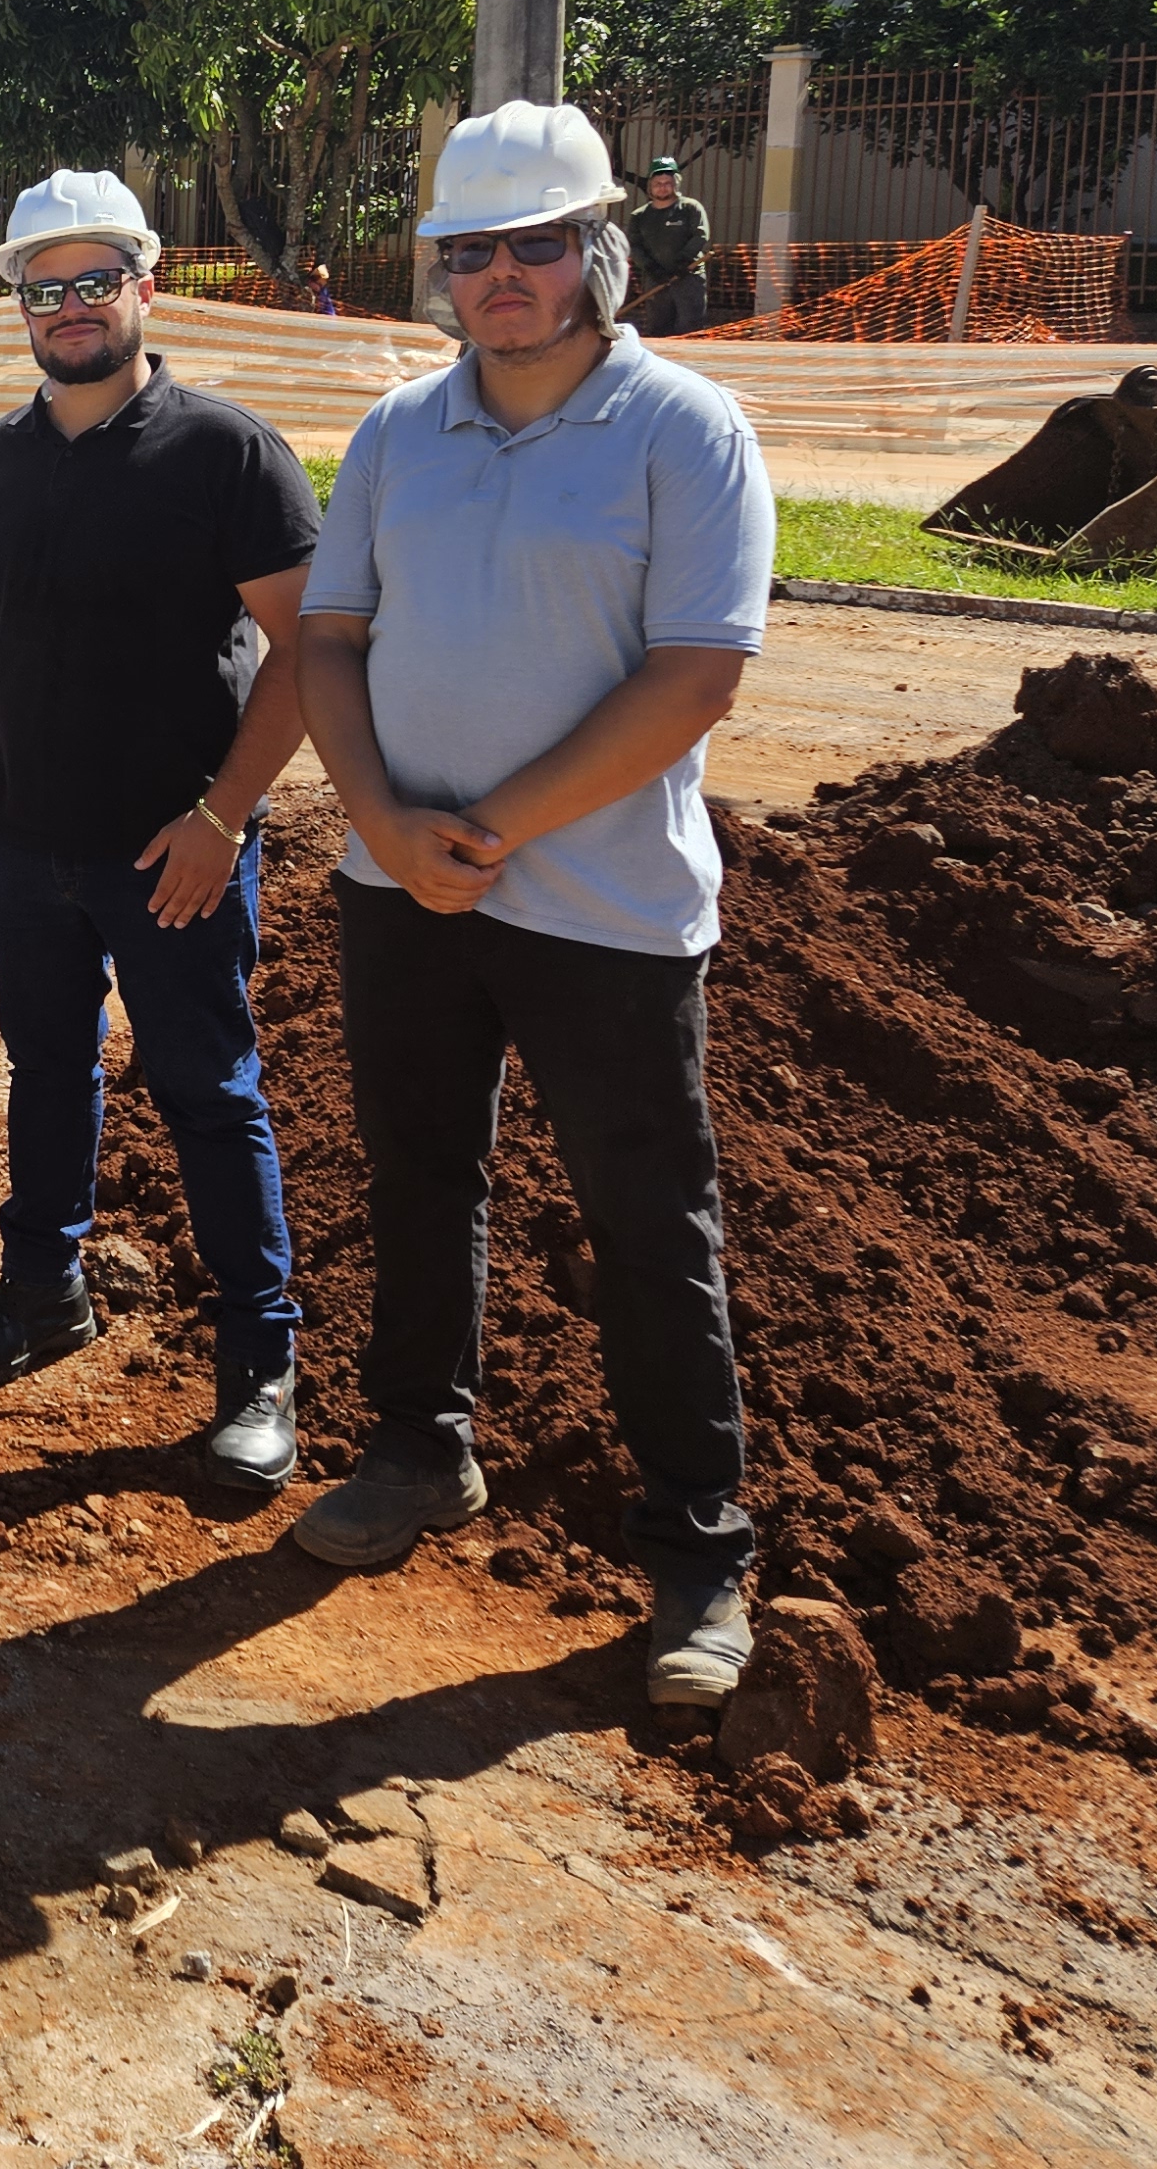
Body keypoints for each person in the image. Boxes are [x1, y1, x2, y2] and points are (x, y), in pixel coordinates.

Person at [286, 101, 776, 1713]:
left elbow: (696, 675)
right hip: (401, 893)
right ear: (438, 270)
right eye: (473, 250)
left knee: (651, 1226)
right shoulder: (396, 437)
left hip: (607, 914)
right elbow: (330, 642)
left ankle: (699, 1551)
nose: (506, 275)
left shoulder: (684, 430)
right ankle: (422, 1450)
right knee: (421, 1181)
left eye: (539, 244)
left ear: (598, 254)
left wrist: (481, 829)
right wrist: (382, 824)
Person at [0, 170, 325, 1490]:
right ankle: (44, 1289)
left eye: (97, 280)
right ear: (19, 304)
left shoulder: (227, 455)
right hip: (27, 851)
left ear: (147, 285)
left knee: (212, 1098)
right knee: (47, 1073)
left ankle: (260, 1361)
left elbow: (306, 649)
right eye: (46, 287)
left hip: (175, 859)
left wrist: (224, 817)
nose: (72, 307)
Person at [624, 160, 711, 339]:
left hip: (688, 277)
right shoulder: (640, 216)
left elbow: (701, 236)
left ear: (675, 185)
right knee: (658, 328)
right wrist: (650, 267)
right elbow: (634, 245)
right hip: (656, 280)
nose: (662, 188)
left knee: (690, 328)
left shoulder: (690, 208)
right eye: (658, 184)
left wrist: (684, 260)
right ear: (650, 187)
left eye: (667, 183)